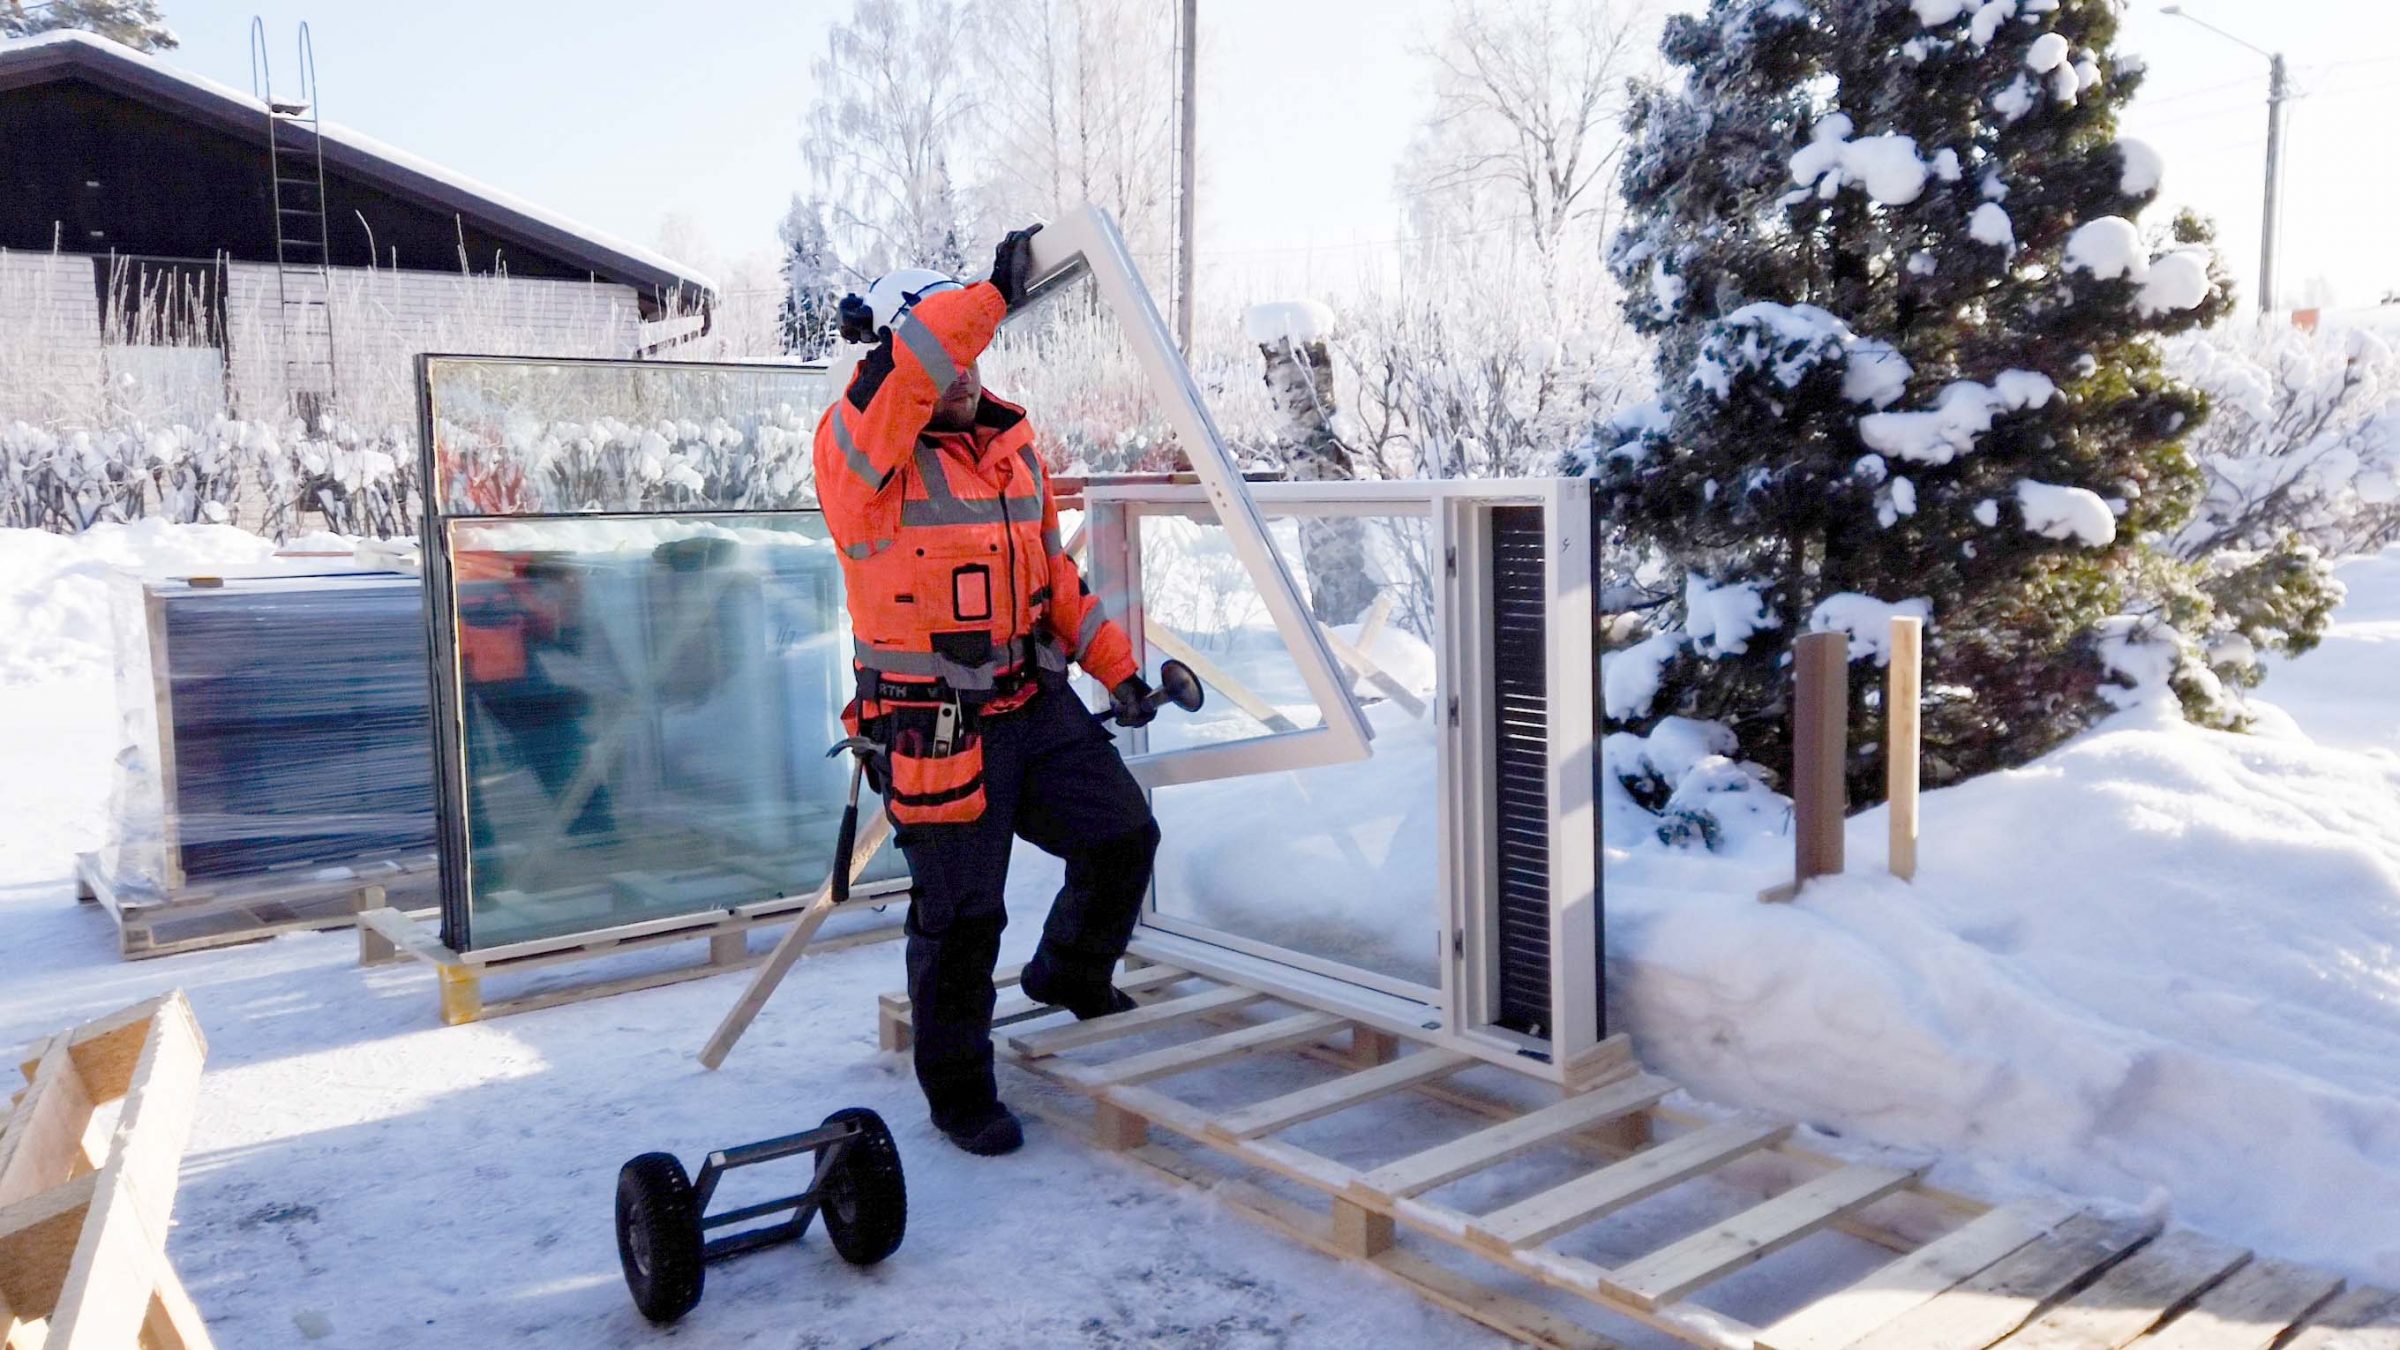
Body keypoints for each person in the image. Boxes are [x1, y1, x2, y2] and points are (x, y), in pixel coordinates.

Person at [812, 225, 1163, 1157]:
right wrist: (983, 299)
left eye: (974, 353)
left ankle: (1069, 972)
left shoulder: (1011, 452)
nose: (965, 371)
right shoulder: (860, 457)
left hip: (1028, 704)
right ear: (899, 359)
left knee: (1124, 836)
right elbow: (916, 366)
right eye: (949, 352)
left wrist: (1119, 672)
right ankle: (961, 1091)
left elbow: (1054, 582)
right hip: (935, 730)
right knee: (964, 918)